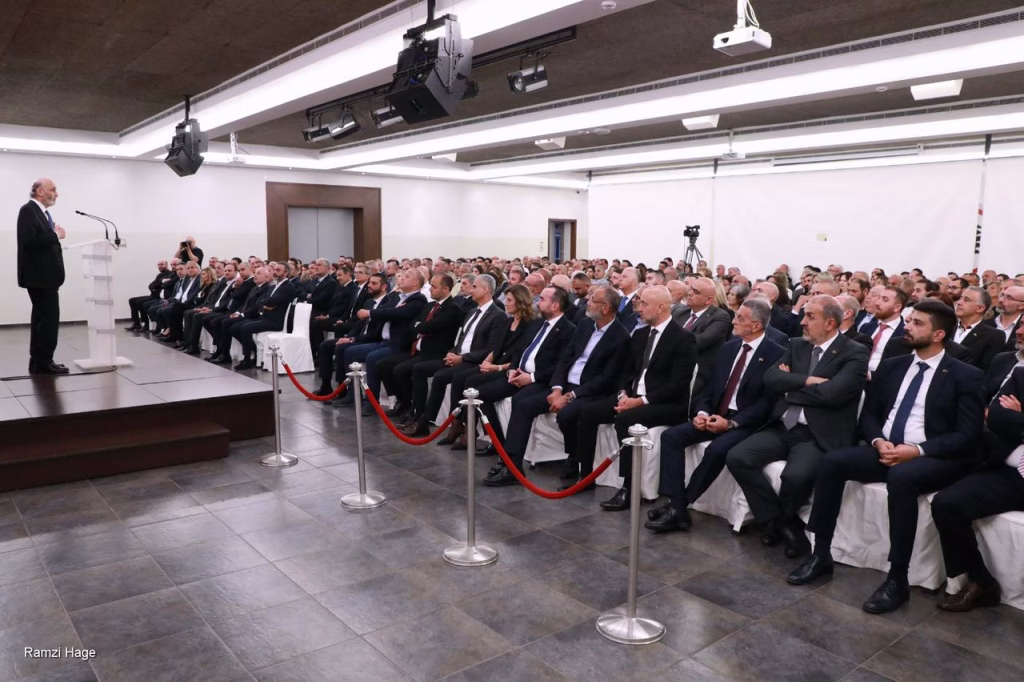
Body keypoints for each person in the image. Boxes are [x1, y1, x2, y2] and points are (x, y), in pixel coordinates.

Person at [787, 299, 984, 615]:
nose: (908, 326)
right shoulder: (894, 366)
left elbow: (968, 434)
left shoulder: (965, 375)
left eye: (917, 323)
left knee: (902, 478)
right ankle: (820, 553)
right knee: (834, 462)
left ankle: (898, 578)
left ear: (938, 335)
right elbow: (870, 414)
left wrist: (916, 451)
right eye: (909, 320)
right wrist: (878, 441)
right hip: (887, 448)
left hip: (935, 456)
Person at [725, 295, 869, 557]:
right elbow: (771, 379)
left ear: (830, 323)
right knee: (737, 457)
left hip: (817, 433)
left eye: (810, 316)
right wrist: (809, 381)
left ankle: (781, 521)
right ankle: (778, 520)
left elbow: (834, 394)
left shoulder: (854, 352)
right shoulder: (796, 345)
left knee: (795, 477)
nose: (802, 322)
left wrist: (790, 386)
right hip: (783, 426)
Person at [647, 299, 785, 532]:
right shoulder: (729, 348)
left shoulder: (776, 354)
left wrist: (731, 423)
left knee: (717, 449)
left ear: (756, 325)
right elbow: (711, 388)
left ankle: (678, 508)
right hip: (716, 414)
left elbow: (766, 404)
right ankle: (677, 504)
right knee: (670, 436)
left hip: (746, 422)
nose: (733, 321)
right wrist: (702, 412)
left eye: (740, 318)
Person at [930, 367, 1024, 612]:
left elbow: (1009, 421)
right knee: (946, 503)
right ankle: (981, 582)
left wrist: (1019, 418)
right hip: (1012, 473)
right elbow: (996, 417)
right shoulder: (1021, 375)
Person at [17, 178, 68, 375]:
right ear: (40, 191)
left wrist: (52, 234)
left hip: (45, 277)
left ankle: (39, 361)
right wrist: (56, 235)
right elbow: (29, 242)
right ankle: (44, 362)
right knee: (48, 320)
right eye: (52, 189)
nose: (57, 194)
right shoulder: (28, 210)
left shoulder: (40, 213)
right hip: (40, 277)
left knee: (43, 320)